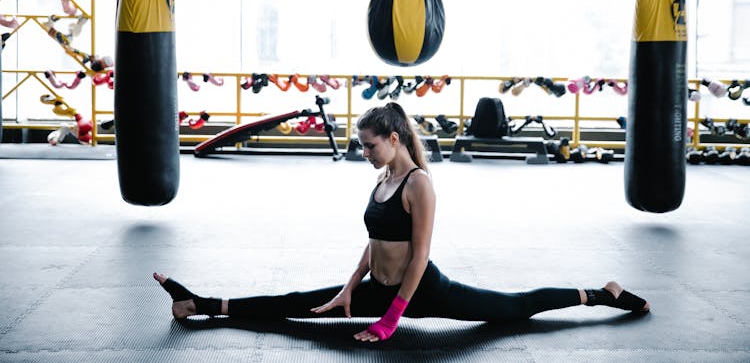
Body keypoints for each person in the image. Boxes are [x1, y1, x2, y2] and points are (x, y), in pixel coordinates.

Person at [154, 102, 650, 342]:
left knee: (515, 309)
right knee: (298, 304)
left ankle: (601, 294)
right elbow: (375, 242)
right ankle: (198, 302)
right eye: (362, 146)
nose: (364, 153)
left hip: (423, 291)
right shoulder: (382, 181)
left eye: (370, 145)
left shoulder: (418, 184)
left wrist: (391, 319)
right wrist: (350, 288)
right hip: (375, 288)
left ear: (393, 138)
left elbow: (419, 255)